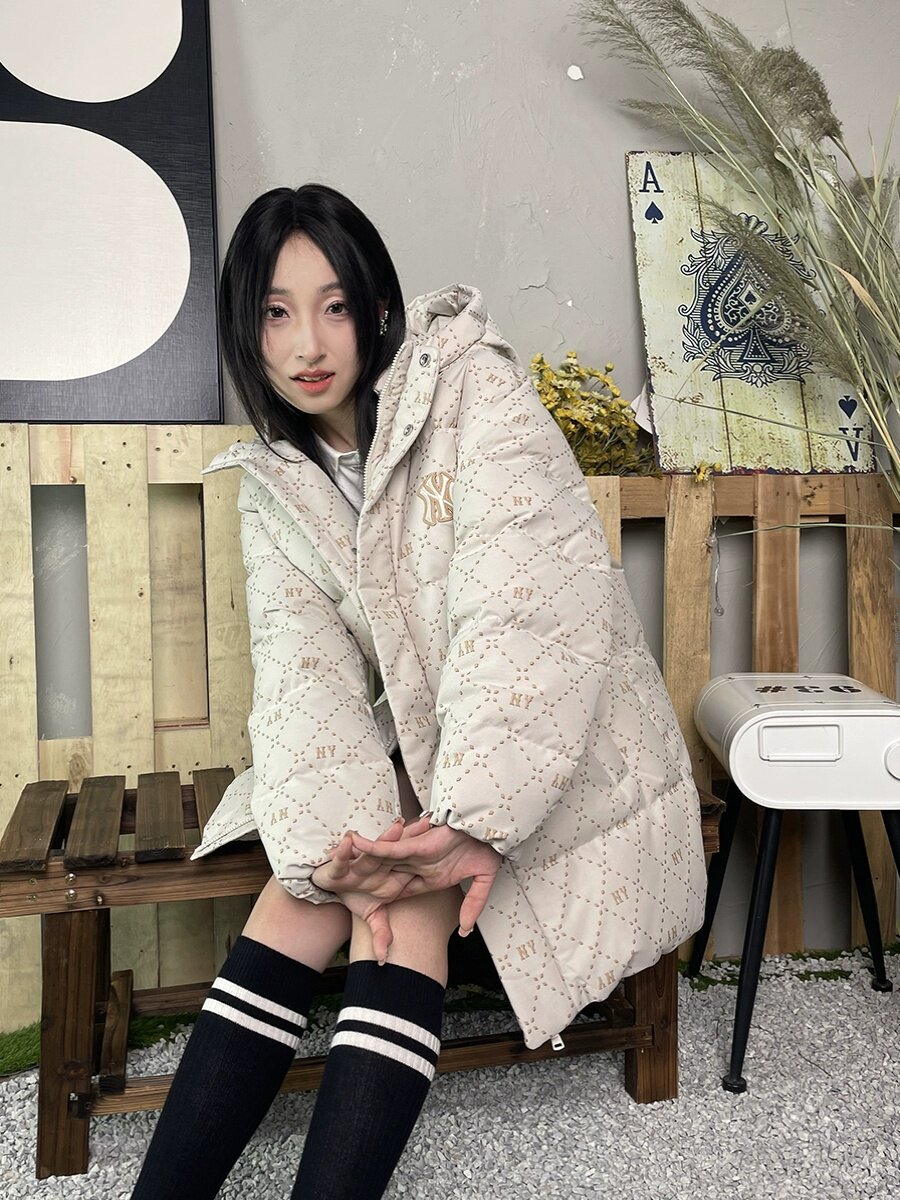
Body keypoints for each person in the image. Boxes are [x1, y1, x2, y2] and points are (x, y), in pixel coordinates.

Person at [130, 183, 707, 1200]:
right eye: (276, 312)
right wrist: (333, 851)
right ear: (246, 330)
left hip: (568, 732)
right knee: (312, 891)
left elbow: (525, 618)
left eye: (334, 306)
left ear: (378, 308)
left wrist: (470, 818)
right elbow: (303, 678)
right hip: (441, 733)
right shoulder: (279, 483)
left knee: (407, 899)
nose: (309, 343)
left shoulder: (476, 393)